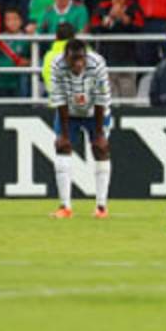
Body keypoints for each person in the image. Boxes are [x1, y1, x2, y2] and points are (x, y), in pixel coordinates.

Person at [48, 39, 112, 219]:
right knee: (62, 147)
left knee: (101, 149)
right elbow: (59, 98)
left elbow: (101, 98)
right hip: (69, 111)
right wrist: (65, 135)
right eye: (73, 59)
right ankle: (65, 207)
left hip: (95, 112)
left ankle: (101, 207)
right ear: (66, 57)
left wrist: (99, 134)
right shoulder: (57, 65)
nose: (78, 63)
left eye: (81, 59)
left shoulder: (97, 63)